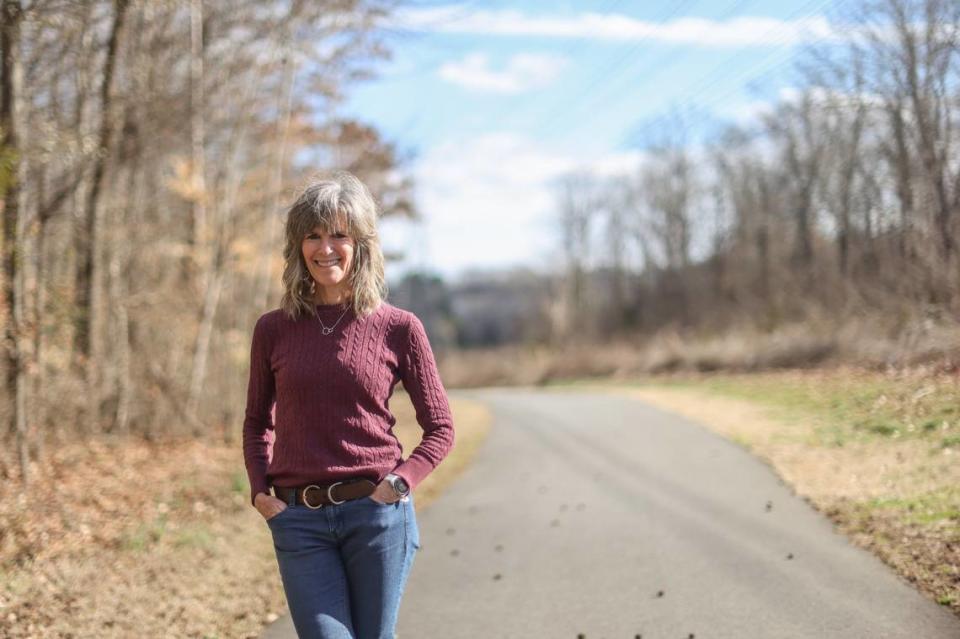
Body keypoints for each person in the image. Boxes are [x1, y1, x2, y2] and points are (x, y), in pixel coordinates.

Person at [242, 171, 455, 639]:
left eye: (339, 234)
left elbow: (440, 427)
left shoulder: (400, 327)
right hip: (300, 521)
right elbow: (258, 421)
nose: (325, 248)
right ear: (297, 246)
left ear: (361, 244)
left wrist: (399, 484)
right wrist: (261, 492)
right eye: (312, 236)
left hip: (376, 515)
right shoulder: (273, 329)